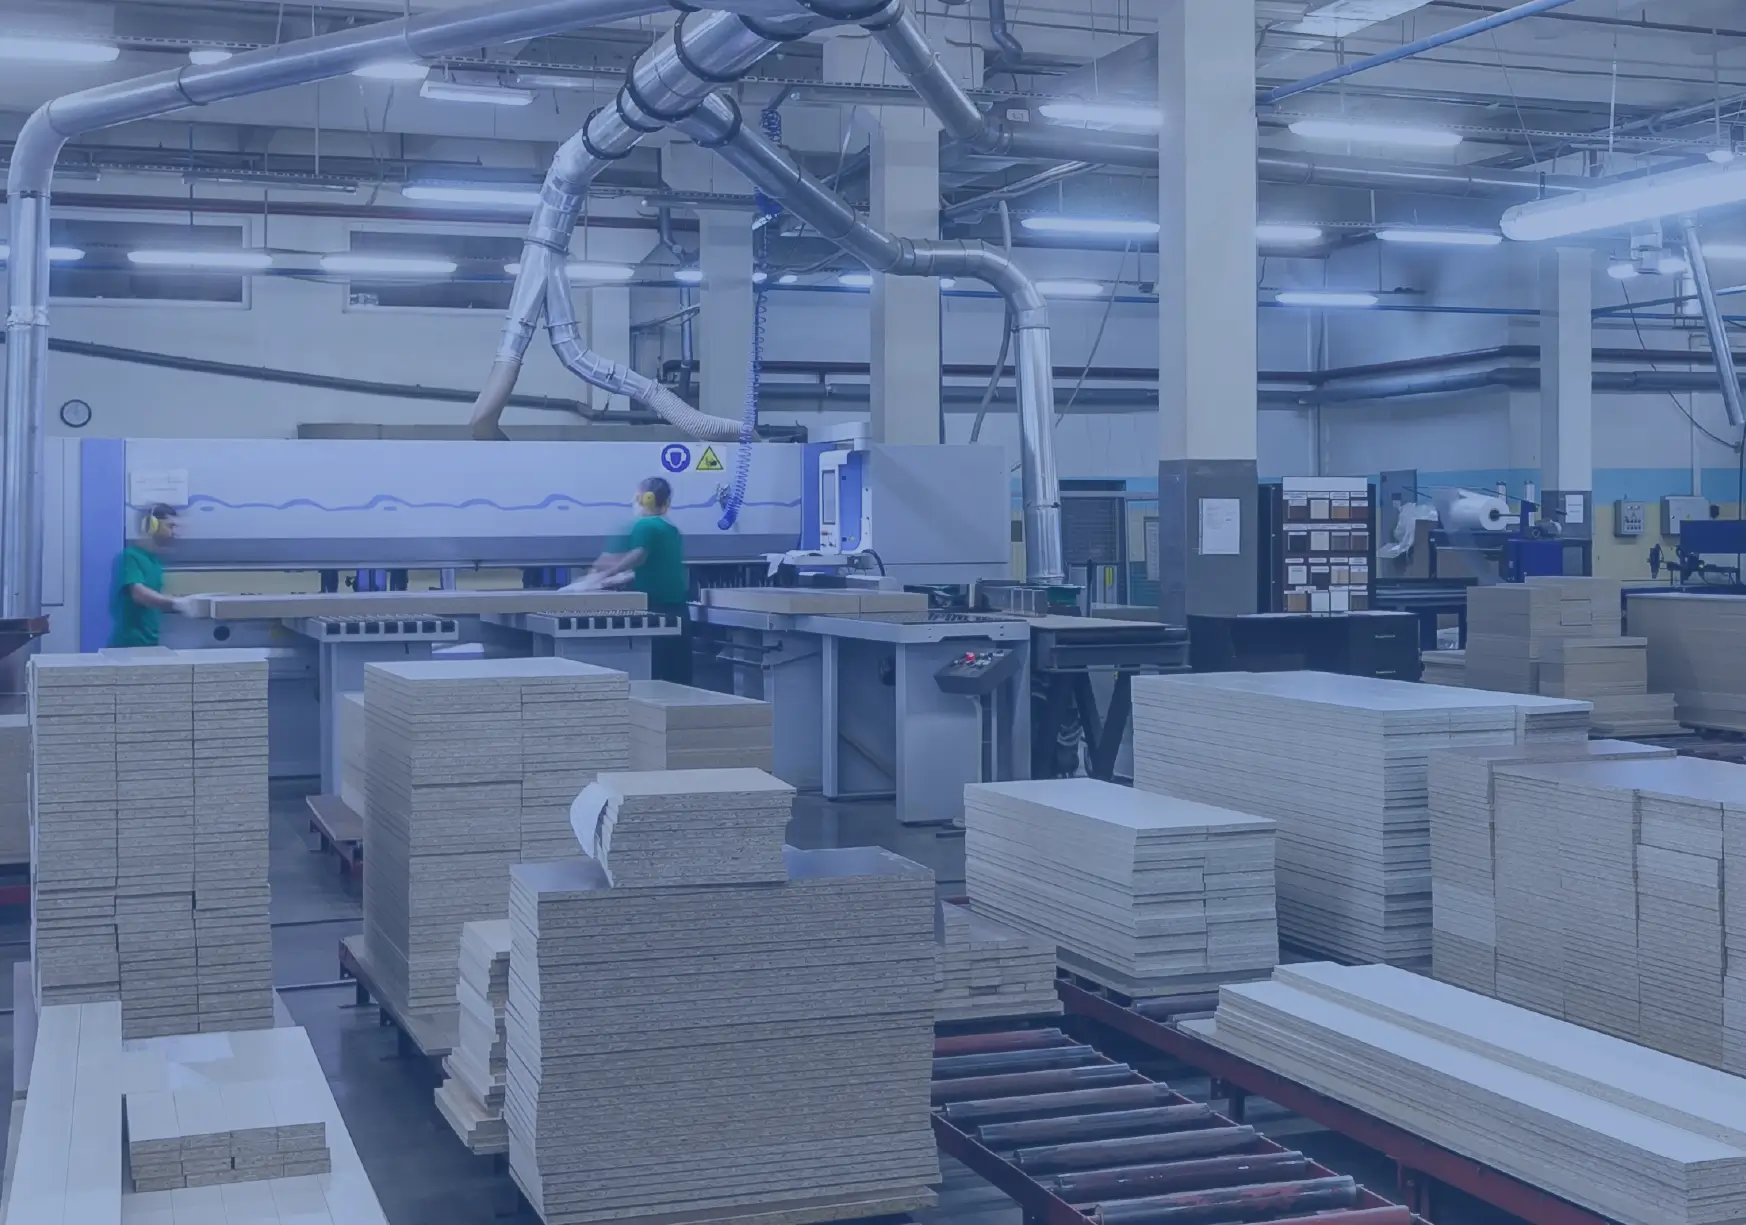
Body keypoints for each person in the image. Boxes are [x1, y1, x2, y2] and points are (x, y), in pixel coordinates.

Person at [592, 476, 691, 684]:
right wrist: (614, 574)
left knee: (654, 674)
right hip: (678, 609)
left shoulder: (645, 526)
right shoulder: (670, 528)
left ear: (645, 499)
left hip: (657, 609)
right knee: (679, 675)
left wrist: (605, 574)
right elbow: (653, 564)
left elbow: (638, 556)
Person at [109, 504, 193, 647]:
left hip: (149, 643)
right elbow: (139, 594)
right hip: (128, 647)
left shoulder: (154, 561)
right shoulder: (129, 557)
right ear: (152, 526)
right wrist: (177, 603)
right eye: (170, 526)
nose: (174, 533)